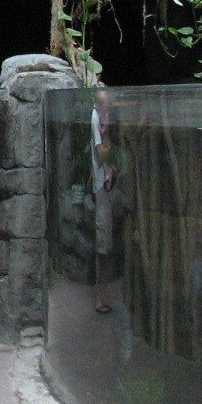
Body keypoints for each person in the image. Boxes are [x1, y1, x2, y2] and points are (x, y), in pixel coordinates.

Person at [89, 85, 118, 314]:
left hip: (106, 185)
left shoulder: (101, 118)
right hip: (101, 188)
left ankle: (105, 295)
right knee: (103, 246)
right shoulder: (96, 119)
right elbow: (101, 153)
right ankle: (100, 298)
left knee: (106, 244)